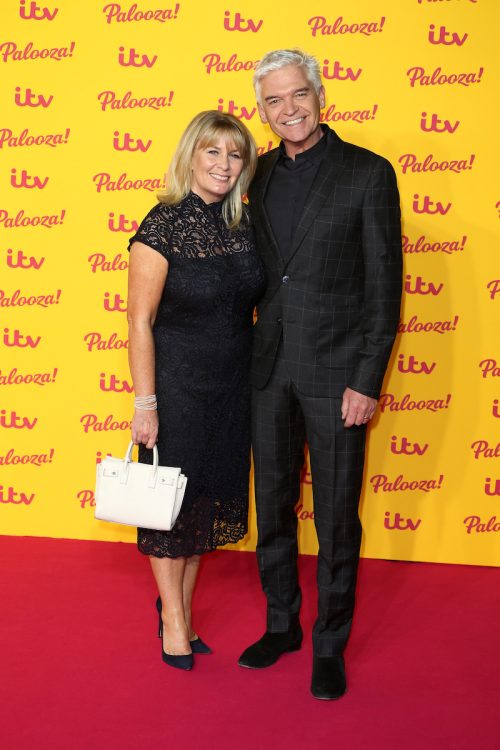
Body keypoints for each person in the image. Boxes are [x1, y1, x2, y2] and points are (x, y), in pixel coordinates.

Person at [238, 49, 403, 700]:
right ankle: (282, 625)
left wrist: (367, 379)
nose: (288, 109)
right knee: (273, 507)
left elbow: (384, 289)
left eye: (297, 94)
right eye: (273, 101)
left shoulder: (368, 173)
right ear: (262, 111)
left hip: (338, 374)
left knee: (336, 517)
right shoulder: (255, 173)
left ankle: (330, 644)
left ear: (320, 95)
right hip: (268, 369)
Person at [127, 111, 265, 671]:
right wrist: (146, 404)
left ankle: (176, 609)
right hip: (178, 387)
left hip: (233, 387)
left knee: (202, 504)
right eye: (213, 152)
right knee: (170, 507)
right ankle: (175, 625)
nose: (224, 165)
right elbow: (139, 321)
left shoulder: (243, 225)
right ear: (191, 155)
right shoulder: (162, 224)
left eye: (235, 155)